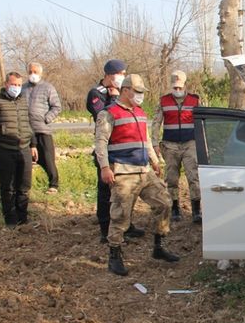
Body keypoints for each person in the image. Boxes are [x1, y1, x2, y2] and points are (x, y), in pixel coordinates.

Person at [94, 74, 179, 276]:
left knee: (164, 202)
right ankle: (114, 255)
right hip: (123, 171)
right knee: (121, 215)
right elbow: (101, 142)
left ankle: (158, 246)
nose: (140, 96)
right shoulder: (109, 113)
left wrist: (154, 161)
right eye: (137, 92)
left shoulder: (140, 112)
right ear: (125, 90)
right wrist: (105, 167)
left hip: (144, 170)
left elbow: (146, 139)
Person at [86, 59, 144, 243]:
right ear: (108, 75)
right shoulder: (96, 93)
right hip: (107, 150)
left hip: (123, 150)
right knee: (106, 192)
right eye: (119, 74)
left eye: (123, 74)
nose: (121, 77)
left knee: (126, 192)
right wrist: (112, 98)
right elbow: (101, 114)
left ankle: (127, 225)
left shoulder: (122, 92)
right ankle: (105, 229)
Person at [0, 72, 38, 228]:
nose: (16, 88)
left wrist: (33, 144)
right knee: (9, 187)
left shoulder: (23, 101)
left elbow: (29, 124)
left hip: (24, 149)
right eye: (13, 84)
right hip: (4, 149)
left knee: (24, 186)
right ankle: (11, 221)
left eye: (19, 85)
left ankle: (23, 218)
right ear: (6, 84)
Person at [151, 70, 202, 223]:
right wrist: (154, 143)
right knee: (171, 178)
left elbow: (202, 121)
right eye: (175, 88)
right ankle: (174, 208)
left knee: (193, 176)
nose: (177, 91)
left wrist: (203, 142)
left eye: (180, 88)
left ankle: (196, 210)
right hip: (170, 145)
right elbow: (156, 123)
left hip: (190, 144)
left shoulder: (195, 100)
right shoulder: (163, 101)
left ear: (185, 86)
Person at [22, 62, 62, 193]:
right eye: (30, 72)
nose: (32, 74)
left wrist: (46, 118)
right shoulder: (22, 88)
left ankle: (53, 184)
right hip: (25, 130)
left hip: (42, 129)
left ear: (40, 73)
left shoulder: (48, 87)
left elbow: (56, 106)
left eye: (35, 72)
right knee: (25, 159)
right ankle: (25, 186)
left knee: (48, 158)